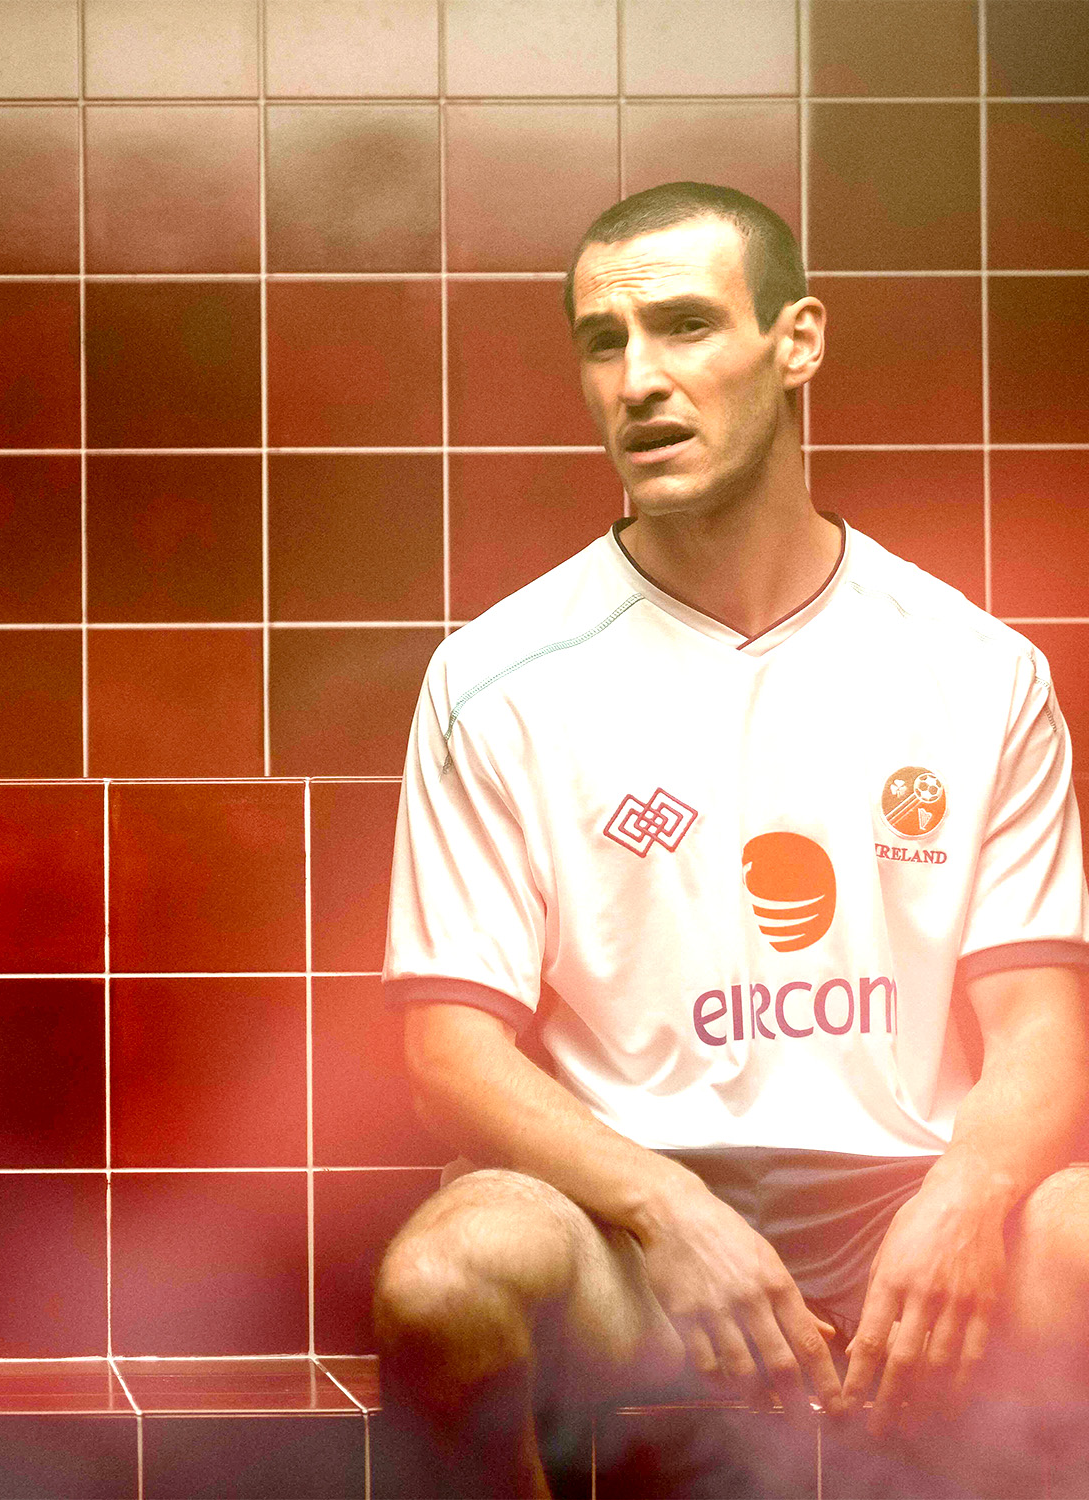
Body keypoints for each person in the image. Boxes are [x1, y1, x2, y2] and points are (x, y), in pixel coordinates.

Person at [372, 181, 1089, 1498]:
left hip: (905, 1215)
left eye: (688, 327)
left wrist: (965, 1203)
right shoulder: (499, 677)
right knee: (442, 1276)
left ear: (797, 340)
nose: (639, 380)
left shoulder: (974, 671)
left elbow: (1046, 1025)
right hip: (631, 1242)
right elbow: (448, 1056)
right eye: (604, 342)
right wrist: (669, 1209)